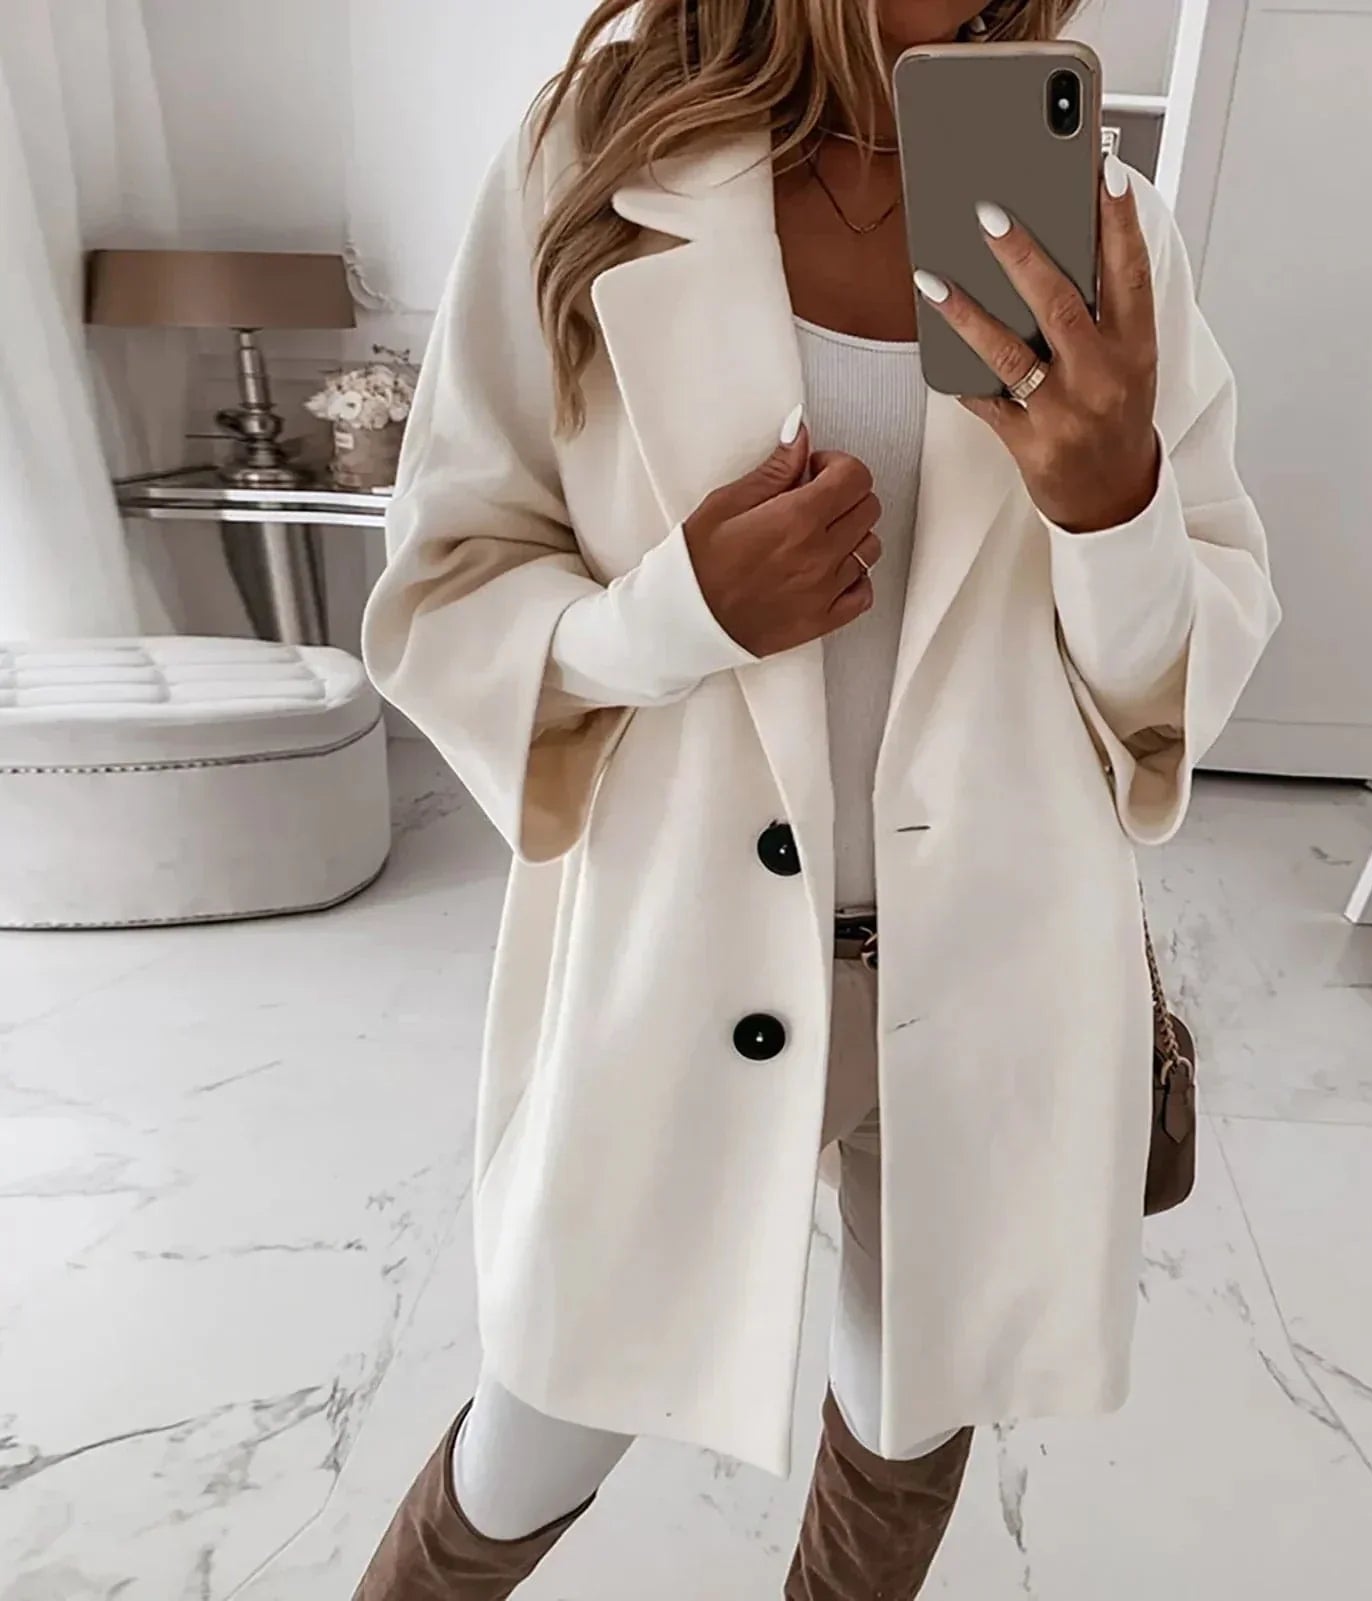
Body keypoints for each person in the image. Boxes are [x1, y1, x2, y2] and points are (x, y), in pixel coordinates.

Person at [354, 0, 1279, 1595]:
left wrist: (1111, 505)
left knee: (914, 1395)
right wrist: (679, 613)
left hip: (994, 954)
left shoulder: (1098, 215)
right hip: (681, 943)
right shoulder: (595, 158)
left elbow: (1166, 679)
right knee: (545, 1411)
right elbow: (444, 591)